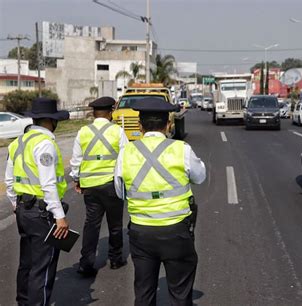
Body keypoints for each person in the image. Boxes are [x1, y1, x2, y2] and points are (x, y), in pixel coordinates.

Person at [114, 97, 206, 306]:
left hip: (141, 232)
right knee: (180, 294)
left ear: (139, 126)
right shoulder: (182, 149)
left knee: (144, 294)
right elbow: (200, 177)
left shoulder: (125, 153)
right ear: (169, 124)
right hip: (176, 232)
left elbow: (120, 192)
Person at [5, 97, 70, 305]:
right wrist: (60, 217)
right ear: (52, 121)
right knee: (42, 268)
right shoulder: (45, 145)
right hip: (42, 214)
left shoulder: (18, 142)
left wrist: (16, 204)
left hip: (24, 210)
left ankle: (23, 301)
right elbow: (48, 184)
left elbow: (9, 179)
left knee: (27, 262)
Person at [70, 96, 128, 277]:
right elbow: (125, 159)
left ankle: (86, 264)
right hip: (111, 186)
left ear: (94, 113)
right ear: (111, 112)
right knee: (115, 224)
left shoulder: (83, 132)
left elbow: (76, 161)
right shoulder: (118, 132)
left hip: (90, 187)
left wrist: (77, 179)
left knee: (91, 225)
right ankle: (115, 259)